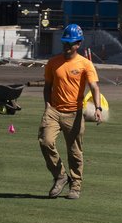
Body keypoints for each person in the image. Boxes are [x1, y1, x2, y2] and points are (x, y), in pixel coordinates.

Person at [39, 24, 102, 200]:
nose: (66, 46)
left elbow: (94, 87)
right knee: (45, 141)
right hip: (53, 110)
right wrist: (47, 106)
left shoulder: (85, 64)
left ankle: (75, 185)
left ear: (78, 44)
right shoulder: (53, 62)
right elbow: (47, 86)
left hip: (74, 112)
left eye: (70, 43)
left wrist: (97, 108)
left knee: (74, 151)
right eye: (64, 42)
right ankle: (60, 176)